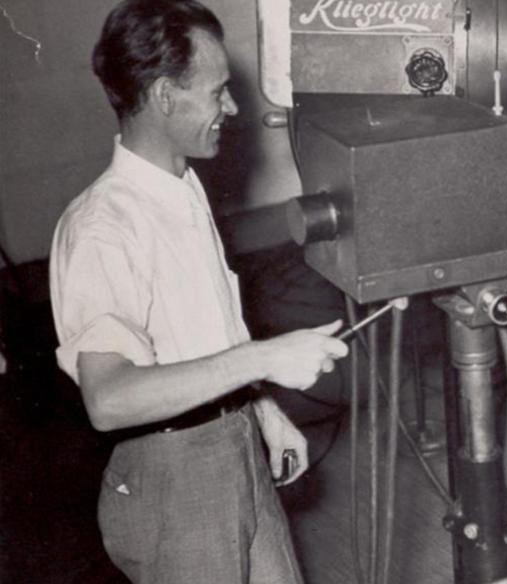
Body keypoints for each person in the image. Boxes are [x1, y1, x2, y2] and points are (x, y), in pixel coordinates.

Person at [48, 1, 349, 582]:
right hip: (173, 481)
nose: (231, 108)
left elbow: (201, 333)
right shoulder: (103, 226)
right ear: (165, 97)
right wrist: (264, 359)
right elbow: (108, 400)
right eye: (218, 92)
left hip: (234, 446)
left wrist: (262, 411)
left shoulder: (181, 189)